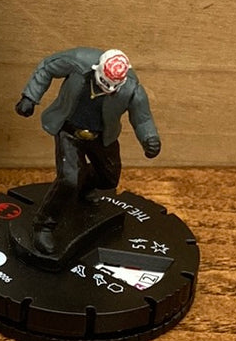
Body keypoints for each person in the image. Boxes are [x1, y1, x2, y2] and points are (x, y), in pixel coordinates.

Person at [16, 47, 160, 243]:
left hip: (101, 136)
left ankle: (82, 187)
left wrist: (149, 139)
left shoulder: (132, 89)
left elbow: (142, 118)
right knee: (69, 179)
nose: (107, 88)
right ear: (97, 68)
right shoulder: (77, 62)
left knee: (109, 178)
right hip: (69, 131)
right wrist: (30, 97)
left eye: (113, 87)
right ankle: (44, 225)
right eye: (103, 82)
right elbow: (47, 67)